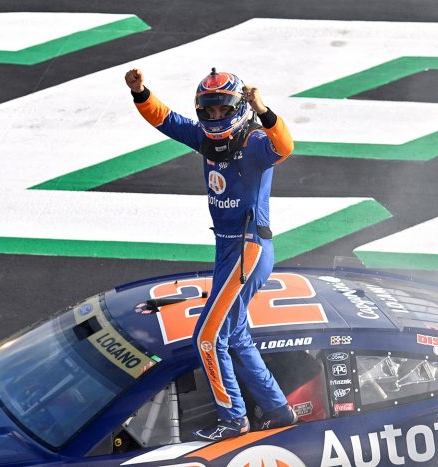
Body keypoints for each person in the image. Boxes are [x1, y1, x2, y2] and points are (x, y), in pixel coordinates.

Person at [125, 67, 297, 441]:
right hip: (227, 248)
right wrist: (141, 92)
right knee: (235, 336)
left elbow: (285, 147)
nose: (215, 117)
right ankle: (279, 410)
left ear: (238, 107)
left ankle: (233, 418)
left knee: (207, 337)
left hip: (249, 248)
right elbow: (166, 120)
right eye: (209, 110)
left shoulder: (254, 142)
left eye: (222, 109)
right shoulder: (204, 138)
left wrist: (263, 108)